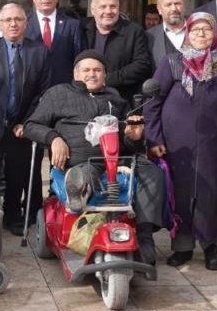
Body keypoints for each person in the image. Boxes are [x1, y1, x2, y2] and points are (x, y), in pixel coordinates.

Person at [25, 51, 166, 265]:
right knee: (84, 179)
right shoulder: (58, 94)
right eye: (87, 70)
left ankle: (145, 236)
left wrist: (133, 136)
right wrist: (54, 138)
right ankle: (84, 221)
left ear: (105, 75)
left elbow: (130, 142)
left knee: (152, 173)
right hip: (81, 160)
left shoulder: (116, 98)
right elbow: (31, 125)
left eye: (98, 70)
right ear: (75, 73)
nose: (92, 74)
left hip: (119, 159)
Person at [145, 12, 217, 270]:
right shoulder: (173, 62)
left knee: (211, 192)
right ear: (187, 33)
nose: (201, 34)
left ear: (215, 34)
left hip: (212, 140)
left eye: (207, 30)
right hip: (177, 141)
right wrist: (154, 137)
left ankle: (210, 246)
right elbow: (153, 102)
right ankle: (182, 247)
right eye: (195, 30)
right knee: (179, 193)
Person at [0, 4, 50, 235]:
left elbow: (42, 92)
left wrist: (29, 122)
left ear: (26, 23)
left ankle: (13, 216)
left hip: (22, 123)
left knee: (17, 173)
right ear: (0, 24)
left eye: (18, 19)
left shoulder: (39, 51)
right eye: (8, 20)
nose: (13, 24)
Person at [83, 0, 153, 103]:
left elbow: (142, 65)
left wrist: (105, 80)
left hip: (121, 101)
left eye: (113, 6)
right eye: (103, 6)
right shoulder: (81, 28)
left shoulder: (134, 31)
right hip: (85, 100)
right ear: (92, 9)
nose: (108, 11)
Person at [25, 0, 84, 85]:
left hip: (63, 89)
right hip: (31, 90)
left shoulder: (73, 25)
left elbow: (79, 61)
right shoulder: (23, 24)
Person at [147, 0, 188, 69]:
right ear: (159, 9)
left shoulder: (201, 32)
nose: (174, 9)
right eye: (168, 4)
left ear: (184, 6)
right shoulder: (148, 36)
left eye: (177, 3)